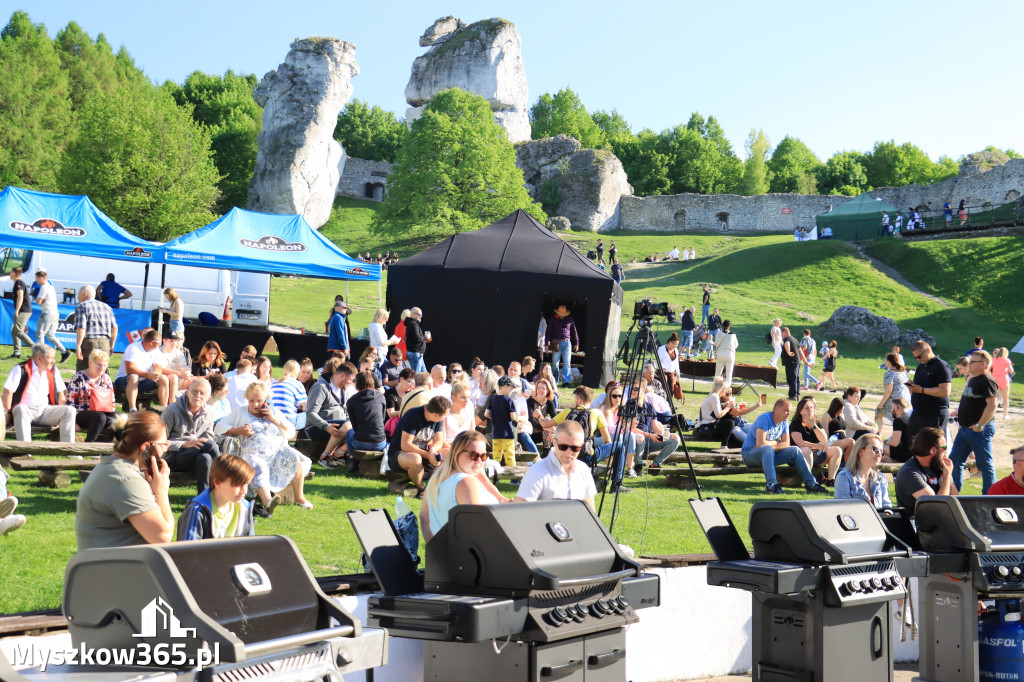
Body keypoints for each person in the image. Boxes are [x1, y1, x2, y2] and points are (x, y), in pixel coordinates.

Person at [75, 411, 174, 550]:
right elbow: (163, 536)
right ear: (146, 447)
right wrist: (161, 492)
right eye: (163, 444)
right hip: (118, 569)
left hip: (108, 566)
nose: (166, 449)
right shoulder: (125, 479)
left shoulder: (109, 468)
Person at [215, 382, 313, 515]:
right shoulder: (240, 412)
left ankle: (299, 497)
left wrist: (274, 419)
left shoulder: (273, 412)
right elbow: (219, 427)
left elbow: (290, 431)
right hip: (251, 453)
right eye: (252, 401)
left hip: (276, 452)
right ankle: (268, 502)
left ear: (266, 399)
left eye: (259, 401)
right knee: (258, 465)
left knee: (294, 456)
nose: (255, 404)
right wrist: (239, 430)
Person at [420, 431, 508, 541]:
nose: (479, 461)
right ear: (456, 452)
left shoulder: (437, 477)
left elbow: (424, 519)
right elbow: (479, 527)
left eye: (484, 456)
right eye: (473, 455)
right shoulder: (466, 483)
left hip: (447, 553)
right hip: (472, 555)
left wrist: (434, 548)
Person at [741, 398, 827, 494]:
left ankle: (811, 483)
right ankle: (772, 484)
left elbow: (786, 443)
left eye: (790, 411)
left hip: (769, 455)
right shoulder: (764, 418)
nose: (789, 413)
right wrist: (776, 442)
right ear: (777, 409)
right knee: (767, 449)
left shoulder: (784, 422)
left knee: (794, 450)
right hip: (750, 455)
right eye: (786, 410)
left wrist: (771, 444)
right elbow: (760, 444)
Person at [515, 420, 597, 511]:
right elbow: (520, 512)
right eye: (563, 447)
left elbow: (591, 512)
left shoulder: (583, 470)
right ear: (554, 442)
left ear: (581, 445)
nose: (569, 452)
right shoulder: (537, 472)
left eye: (575, 448)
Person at [2, 343, 76, 441]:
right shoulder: (20, 369)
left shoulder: (54, 370)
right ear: (38, 359)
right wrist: (7, 413)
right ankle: (25, 449)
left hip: (44, 411)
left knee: (70, 410)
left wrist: (59, 414)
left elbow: (60, 394)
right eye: (50, 358)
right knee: (21, 408)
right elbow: (8, 391)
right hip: (24, 412)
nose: (53, 361)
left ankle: (69, 450)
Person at [949, 350, 999, 493]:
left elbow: (992, 405)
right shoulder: (973, 379)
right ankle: (954, 495)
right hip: (965, 429)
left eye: (972, 362)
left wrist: (980, 425)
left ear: (983, 364)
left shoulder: (987, 380)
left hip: (979, 429)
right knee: (955, 461)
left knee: (985, 465)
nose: (969, 363)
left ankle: (989, 497)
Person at [176, 455, 256, 541]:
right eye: (237, 485)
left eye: (246, 484)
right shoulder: (197, 511)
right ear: (217, 482)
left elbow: (251, 546)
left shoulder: (245, 508)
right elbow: (187, 550)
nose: (244, 491)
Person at [161, 379, 220, 494]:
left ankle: (203, 499)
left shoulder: (209, 412)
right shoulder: (172, 410)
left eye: (202, 393)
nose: (198, 396)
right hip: (172, 457)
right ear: (187, 392)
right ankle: (224, 474)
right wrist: (184, 444)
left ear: (208, 398)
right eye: (194, 392)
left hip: (195, 457)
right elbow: (159, 441)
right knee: (209, 445)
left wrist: (196, 444)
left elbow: (209, 437)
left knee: (205, 458)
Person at [388, 396, 451, 498]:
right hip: (399, 455)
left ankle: (431, 486)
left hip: (423, 454)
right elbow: (405, 445)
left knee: (449, 453)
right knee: (416, 459)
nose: (445, 417)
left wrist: (433, 450)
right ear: (435, 415)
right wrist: (427, 455)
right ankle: (421, 489)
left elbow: (439, 440)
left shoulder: (439, 418)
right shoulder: (413, 415)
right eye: (445, 416)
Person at [895, 427, 957, 513]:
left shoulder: (939, 465)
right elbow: (937, 506)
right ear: (933, 450)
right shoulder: (909, 473)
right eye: (944, 447)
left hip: (938, 521)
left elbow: (957, 498)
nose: (946, 452)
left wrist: (947, 476)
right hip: (916, 523)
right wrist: (947, 477)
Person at [306, 360, 355, 465]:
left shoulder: (342, 389)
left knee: (358, 426)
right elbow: (310, 413)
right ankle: (324, 457)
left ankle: (338, 455)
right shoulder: (320, 387)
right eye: (350, 379)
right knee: (347, 426)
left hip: (337, 425)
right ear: (342, 375)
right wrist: (326, 426)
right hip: (316, 428)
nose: (351, 383)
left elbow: (345, 412)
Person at [789, 396, 844, 485]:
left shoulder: (816, 423)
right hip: (799, 456)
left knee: (837, 450)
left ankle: (831, 480)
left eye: (811, 407)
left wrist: (813, 425)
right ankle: (810, 481)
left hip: (816, 455)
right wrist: (817, 446)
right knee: (806, 450)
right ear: (800, 411)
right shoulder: (796, 423)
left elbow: (824, 439)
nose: (810, 410)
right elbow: (800, 443)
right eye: (807, 408)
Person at [65, 348, 116, 442]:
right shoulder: (78, 378)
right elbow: (70, 401)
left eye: (105, 365)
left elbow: (112, 399)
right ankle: (90, 446)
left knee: (119, 420)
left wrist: (113, 413)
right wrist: (73, 421)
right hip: (81, 413)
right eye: (99, 365)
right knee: (100, 417)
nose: (102, 368)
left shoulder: (106, 378)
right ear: (90, 363)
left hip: (104, 411)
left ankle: (114, 448)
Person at [905, 340, 952, 440]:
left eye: (919, 356)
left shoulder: (941, 366)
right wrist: (912, 387)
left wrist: (922, 390)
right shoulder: (920, 367)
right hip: (918, 414)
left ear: (928, 350)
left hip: (934, 415)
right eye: (915, 357)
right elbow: (917, 389)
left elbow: (945, 391)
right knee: (914, 446)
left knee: (933, 447)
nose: (918, 359)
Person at [693, 377, 758, 448]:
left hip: (707, 426)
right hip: (707, 427)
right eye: (725, 389)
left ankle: (748, 447)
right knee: (730, 423)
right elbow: (719, 415)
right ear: (721, 388)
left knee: (732, 435)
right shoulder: (714, 397)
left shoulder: (712, 395)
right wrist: (729, 407)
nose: (726, 392)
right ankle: (724, 446)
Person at [114, 329, 170, 411]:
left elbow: (158, 366)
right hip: (123, 381)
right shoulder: (133, 348)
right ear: (152, 343)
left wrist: (156, 373)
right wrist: (148, 375)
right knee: (133, 377)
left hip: (143, 381)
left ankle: (164, 409)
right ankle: (132, 409)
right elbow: (130, 369)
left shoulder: (156, 350)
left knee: (164, 378)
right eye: (158, 344)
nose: (159, 346)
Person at [835, 434, 893, 509]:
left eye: (882, 451)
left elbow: (887, 505)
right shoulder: (844, 477)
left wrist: (887, 513)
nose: (879, 455)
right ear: (860, 452)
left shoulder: (880, 478)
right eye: (875, 450)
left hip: (878, 519)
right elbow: (844, 509)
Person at [73, 285, 118, 372]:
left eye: (79, 294)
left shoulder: (82, 306)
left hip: (88, 343)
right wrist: (111, 346)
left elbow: (81, 327)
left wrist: (78, 346)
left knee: (84, 372)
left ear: (85, 294)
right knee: (102, 371)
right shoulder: (107, 307)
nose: (78, 297)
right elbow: (115, 328)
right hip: (104, 343)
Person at [346, 370, 388, 454]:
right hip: (380, 442)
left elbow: (354, 425)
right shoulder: (381, 397)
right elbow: (382, 418)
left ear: (357, 383)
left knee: (349, 432)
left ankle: (351, 458)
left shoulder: (351, 401)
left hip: (360, 442)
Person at [34, 269, 70, 363]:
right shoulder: (51, 287)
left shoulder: (44, 287)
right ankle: (64, 351)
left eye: (37, 278)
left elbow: (38, 301)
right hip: (55, 313)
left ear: (41, 278)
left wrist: (40, 300)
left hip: (47, 313)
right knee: (50, 335)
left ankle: (41, 355)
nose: (36, 280)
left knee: (40, 334)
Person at [485, 376, 518, 467]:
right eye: (511, 388)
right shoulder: (509, 400)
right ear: (505, 387)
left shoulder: (493, 400)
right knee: (509, 456)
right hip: (507, 434)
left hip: (495, 434)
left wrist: (496, 417)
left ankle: (495, 476)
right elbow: (513, 417)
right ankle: (514, 478)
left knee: (496, 457)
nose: (512, 390)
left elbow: (486, 414)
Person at [546, 304, 579, 387]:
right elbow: (548, 332)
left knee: (567, 363)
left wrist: (576, 343)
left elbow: (574, 331)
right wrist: (546, 343)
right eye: (560, 313)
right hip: (556, 343)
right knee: (554, 363)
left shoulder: (570, 319)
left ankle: (566, 382)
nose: (562, 315)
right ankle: (554, 381)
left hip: (567, 343)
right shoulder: (553, 319)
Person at [875, 354, 909, 431]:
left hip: (894, 400)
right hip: (905, 400)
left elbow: (888, 391)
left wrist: (881, 404)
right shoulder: (903, 372)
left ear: (889, 362)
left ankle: (877, 434)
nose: (885, 363)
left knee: (878, 412)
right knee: (900, 416)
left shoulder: (889, 374)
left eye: (886, 361)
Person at [7, 268, 35, 361]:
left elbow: (20, 296)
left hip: (23, 310)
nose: (9, 273)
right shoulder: (18, 283)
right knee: (14, 331)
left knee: (18, 331)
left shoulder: (19, 283)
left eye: (11, 272)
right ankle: (17, 352)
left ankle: (36, 348)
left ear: (14, 273)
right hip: (23, 310)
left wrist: (17, 310)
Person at [271, 360, 307, 424]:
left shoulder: (274, 382)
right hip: (288, 420)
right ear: (297, 372)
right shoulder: (297, 384)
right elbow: (305, 406)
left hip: (273, 418)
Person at [526, 377, 557, 450]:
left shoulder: (549, 402)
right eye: (538, 388)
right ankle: (546, 454)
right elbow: (532, 420)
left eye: (543, 388)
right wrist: (546, 428)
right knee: (547, 428)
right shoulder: (530, 401)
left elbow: (555, 418)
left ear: (548, 391)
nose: (540, 390)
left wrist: (552, 428)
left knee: (549, 423)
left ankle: (548, 452)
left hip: (545, 432)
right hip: (532, 431)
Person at [883, 398, 913, 463]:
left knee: (878, 449)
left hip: (905, 453)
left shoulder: (898, 420)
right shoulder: (910, 417)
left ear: (896, 407)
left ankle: (893, 468)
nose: (891, 410)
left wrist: (884, 442)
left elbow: (894, 443)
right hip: (912, 452)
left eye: (891, 408)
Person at [991, 348, 1015, 421]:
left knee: (995, 398)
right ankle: (1005, 415)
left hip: (995, 379)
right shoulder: (1007, 360)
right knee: (1005, 399)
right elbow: (1011, 371)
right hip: (1004, 379)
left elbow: (989, 369)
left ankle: (992, 414)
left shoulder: (993, 359)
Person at [657, 332, 682, 400]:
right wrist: (662, 367)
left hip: (671, 372)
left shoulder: (676, 350)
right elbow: (658, 360)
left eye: (677, 345)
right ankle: (662, 401)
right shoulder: (661, 349)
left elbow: (676, 362)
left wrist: (678, 373)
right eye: (675, 344)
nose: (675, 346)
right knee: (664, 387)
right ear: (670, 342)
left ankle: (669, 404)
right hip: (663, 372)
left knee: (671, 389)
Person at [404, 307, 429, 373]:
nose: (421, 317)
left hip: (416, 354)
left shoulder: (412, 324)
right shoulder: (413, 324)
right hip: (415, 354)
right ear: (413, 314)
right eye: (419, 315)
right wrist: (425, 337)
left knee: (424, 373)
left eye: (421, 315)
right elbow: (417, 338)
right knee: (416, 375)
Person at [714, 320, 739, 386]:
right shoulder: (733, 335)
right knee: (729, 374)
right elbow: (736, 345)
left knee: (718, 373)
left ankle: (715, 388)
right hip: (730, 354)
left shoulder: (718, 333)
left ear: (723, 326)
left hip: (721, 354)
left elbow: (716, 343)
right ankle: (726, 390)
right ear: (729, 327)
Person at [780, 327, 801, 400]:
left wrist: (788, 352)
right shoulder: (795, 339)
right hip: (797, 361)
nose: (781, 335)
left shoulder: (788, 339)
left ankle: (792, 396)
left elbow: (786, 344)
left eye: (782, 333)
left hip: (791, 362)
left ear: (785, 332)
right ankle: (797, 395)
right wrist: (805, 360)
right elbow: (800, 350)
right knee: (796, 379)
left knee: (792, 379)